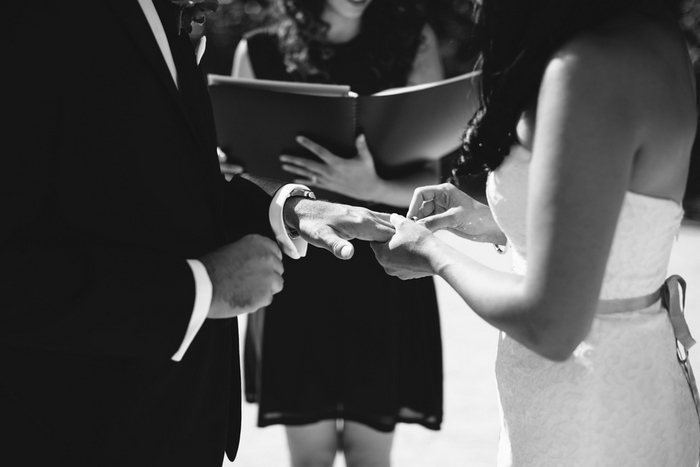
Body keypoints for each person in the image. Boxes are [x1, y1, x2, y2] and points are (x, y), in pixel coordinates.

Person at [0, 1, 396, 466]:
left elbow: (165, 185)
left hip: (178, 424)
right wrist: (199, 289)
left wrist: (289, 209)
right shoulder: (32, 19)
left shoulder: (162, 16)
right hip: (79, 429)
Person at [372, 0, 700, 465]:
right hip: (640, 380)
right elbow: (619, 227)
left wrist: (430, 253)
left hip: (584, 414)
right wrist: (496, 219)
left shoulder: (587, 68)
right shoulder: (656, 36)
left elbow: (552, 324)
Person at [230, 0, 445, 465]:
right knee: (310, 458)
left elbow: (434, 172)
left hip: (382, 265)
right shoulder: (259, 50)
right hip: (295, 270)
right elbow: (240, 175)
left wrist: (372, 186)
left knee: (371, 456)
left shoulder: (414, 40)